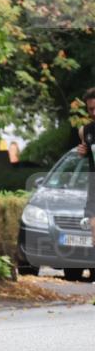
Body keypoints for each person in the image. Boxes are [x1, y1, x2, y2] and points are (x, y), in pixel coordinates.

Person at [76, 87, 95, 254]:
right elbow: (85, 151)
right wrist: (83, 152)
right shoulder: (86, 131)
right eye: (90, 109)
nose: (94, 112)